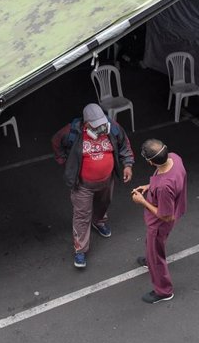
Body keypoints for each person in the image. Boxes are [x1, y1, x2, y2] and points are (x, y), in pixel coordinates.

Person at [52, 103, 134, 268]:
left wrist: (128, 165)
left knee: (103, 204)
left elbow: (124, 145)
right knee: (82, 215)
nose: (101, 128)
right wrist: (65, 161)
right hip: (82, 185)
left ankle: (99, 221)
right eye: (96, 126)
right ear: (86, 123)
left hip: (106, 181)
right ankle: (80, 250)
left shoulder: (112, 127)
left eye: (102, 124)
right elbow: (56, 142)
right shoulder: (72, 132)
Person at [131, 139, 187, 304]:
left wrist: (142, 201)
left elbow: (166, 215)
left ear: (150, 161)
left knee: (157, 256)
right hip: (174, 207)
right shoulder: (175, 158)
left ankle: (164, 291)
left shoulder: (163, 186)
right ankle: (150, 258)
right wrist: (150, 186)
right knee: (152, 246)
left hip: (159, 223)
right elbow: (167, 180)